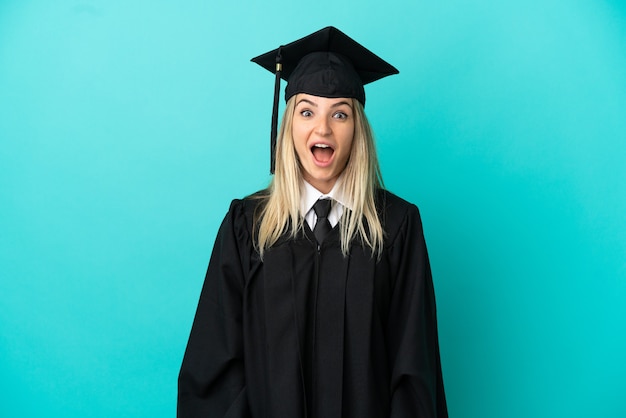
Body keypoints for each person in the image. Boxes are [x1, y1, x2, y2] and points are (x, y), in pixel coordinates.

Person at [178, 26, 448, 418]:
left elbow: (413, 371)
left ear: (357, 130)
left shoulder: (396, 227)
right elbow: (215, 366)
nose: (322, 129)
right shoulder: (247, 226)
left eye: (340, 113)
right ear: (289, 125)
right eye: (307, 111)